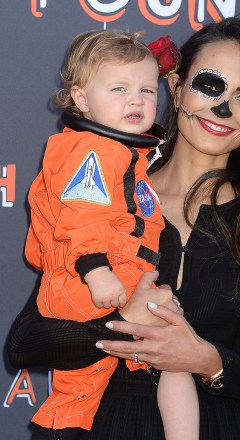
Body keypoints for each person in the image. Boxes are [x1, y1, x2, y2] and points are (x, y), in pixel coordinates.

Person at [8, 17, 240, 440]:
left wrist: (203, 359)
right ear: (177, 89)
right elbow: (25, 343)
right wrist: (122, 323)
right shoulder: (104, 198)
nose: (223, 109)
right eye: (211, 86)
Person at [23, 29, 199, 439]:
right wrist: (95, 269)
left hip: (121, 280)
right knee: (153, 359)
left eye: (145, 89)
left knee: (91, 386)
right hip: (85, 284)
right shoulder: (88, 151)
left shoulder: (126, 155)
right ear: (81, 99)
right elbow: (81, 216)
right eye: (119, 89)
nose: (136, 100)